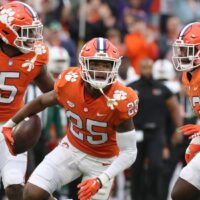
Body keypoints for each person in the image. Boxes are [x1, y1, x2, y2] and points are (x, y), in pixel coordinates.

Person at [2, 37, 139, 200]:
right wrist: (10, 124)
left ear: (114, 67)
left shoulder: (121, 99)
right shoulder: (70, 82)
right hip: (71, 149)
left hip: (102, 163)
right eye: (95, 63)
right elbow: (40, 101)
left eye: (106, 65)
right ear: (83, 64)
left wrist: (101, 180)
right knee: (32, 194)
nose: (100, 70)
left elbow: (129, 152)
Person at [0, 2, 54, 200]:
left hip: (12, 126)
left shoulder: (35, 56)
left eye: (33, 32)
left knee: (15, 186)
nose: (31, 38)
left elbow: (52, 91)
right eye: (25, 31)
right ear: (6, 31)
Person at [128, 58, 182, 200]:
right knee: (136, 168)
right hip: (136, 133)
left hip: (156, 133)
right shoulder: (131, 87)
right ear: (140, 67)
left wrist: (178, 130)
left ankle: (155, 197)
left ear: (152, 68)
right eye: (144, 66)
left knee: (156, 166)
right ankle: (136, 197)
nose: (146, 69)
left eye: (149, 66)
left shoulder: (161, 88)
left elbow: (175, 109)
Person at [171, 22, 200, 200]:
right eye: (181, 50)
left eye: (186, 50)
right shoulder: (188, 75)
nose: (181, 55)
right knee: (181, 193)